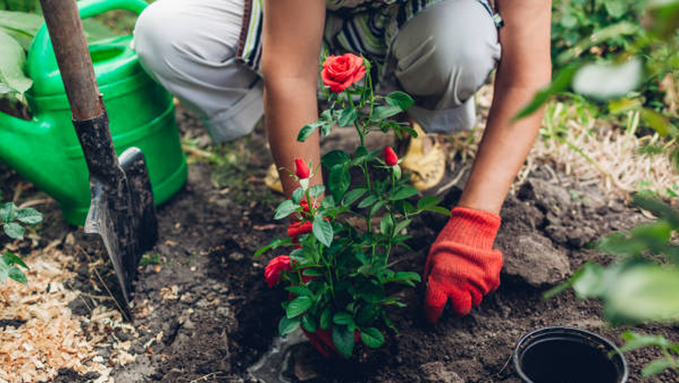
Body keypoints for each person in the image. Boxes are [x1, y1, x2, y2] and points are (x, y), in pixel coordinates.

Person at [133, 0, 552, 324]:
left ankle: (409, 127)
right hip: (296, 16)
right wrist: (309, 234)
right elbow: (291, 72)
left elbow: (527, 78)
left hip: (422, 20)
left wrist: (474, 223)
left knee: (460, 44)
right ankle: (299, 140)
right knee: (165, 33)